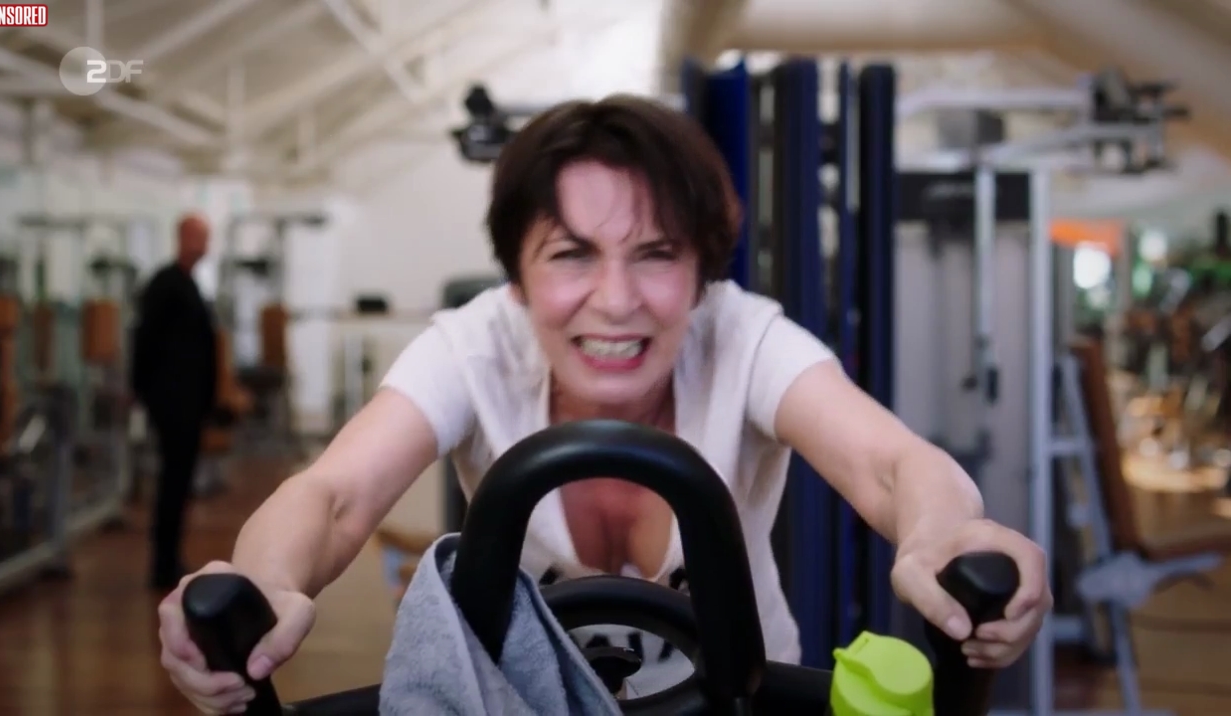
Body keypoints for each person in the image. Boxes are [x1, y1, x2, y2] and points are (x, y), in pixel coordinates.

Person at [157, 96, 1052, 713]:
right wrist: (261, 583)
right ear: (518, 279)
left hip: (740, 701)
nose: (616, 301)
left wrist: (945, 534)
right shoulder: (475, 344)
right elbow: (333, 495)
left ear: (700, 274)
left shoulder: (741, 335)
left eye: (655, 254)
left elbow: (889, 463)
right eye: (572, 255)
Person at [134, 214, 218, 591]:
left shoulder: (187, 284)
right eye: (201, 238)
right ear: (183, 237)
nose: (205, 246)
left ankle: (169, 560)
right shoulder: (165, 285)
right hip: (173, 403)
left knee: (179, 483)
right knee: (172, 483)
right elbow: (144, 342)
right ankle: (162, 564)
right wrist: (144, 393)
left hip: (188, 402)